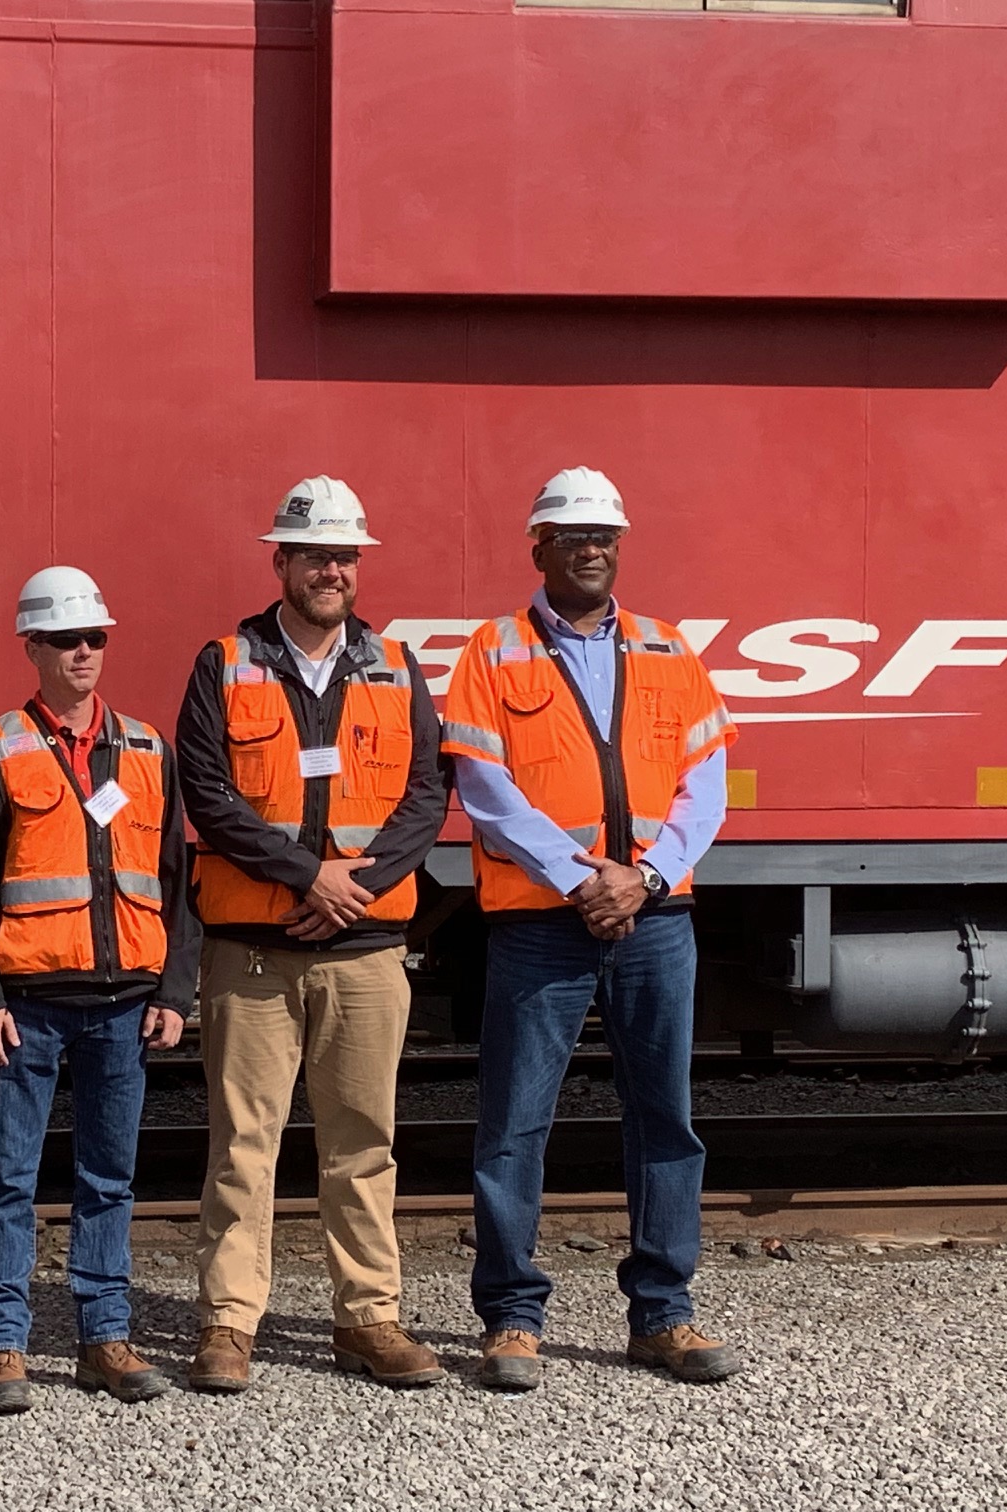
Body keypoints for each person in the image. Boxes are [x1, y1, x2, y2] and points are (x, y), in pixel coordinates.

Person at [441, 466, 742, 1392]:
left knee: (665, 1121)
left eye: (605, 533)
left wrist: (643, 878)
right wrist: (584, 879)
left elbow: (708, 781)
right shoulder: (491, 652)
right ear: (537, 546)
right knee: (513, 1126)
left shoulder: (665, 648)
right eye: (572, 534)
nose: (592, 546)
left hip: (655, 919)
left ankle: (662, 1314)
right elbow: (486, 791)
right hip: (543, 922)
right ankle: (511, 1318)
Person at [176, 476, 449, 1393]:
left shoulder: (397, 666)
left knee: (363, 1142)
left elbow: (425, 800)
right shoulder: (224, 662)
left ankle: (369, 1317)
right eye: (315, 555)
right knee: (242, 1146)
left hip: (365, 952)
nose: (332, 570)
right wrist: (308, 876)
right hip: (252, 952)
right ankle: (227, 1324)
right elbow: (207, 796)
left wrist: (353, 889)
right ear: (281, 561)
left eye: (346, 556)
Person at [0, 566, 200, 1415]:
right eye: (64, 639)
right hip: (28, 1006)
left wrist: (174, 987)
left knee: (110, 1178)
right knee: (8, 1179)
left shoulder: (147, 747)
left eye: (94, 637)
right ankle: (3, 1346)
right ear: (32, 646)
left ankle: (103, 1339)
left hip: (127, 1004)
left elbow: (176, 878)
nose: (82, 652)